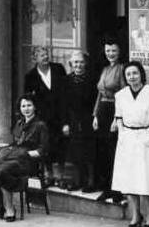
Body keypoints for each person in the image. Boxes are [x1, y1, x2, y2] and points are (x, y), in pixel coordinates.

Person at [111, 61, 149, 227]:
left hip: (145, 136)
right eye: (128, 74)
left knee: (144, 178)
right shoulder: (120, 95)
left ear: (141, 74)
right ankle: (135, 216)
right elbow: (118, 116)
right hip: (127, 137)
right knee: (128, 179)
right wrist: (121, 131)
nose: (132, 77)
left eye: (135, 73)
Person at [0, 94, 50, 222]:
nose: (26, 108)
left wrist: (27, 154)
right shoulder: (19, 123)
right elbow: (15, 142)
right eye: (23, 106)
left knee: (3, 171)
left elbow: (43, 150)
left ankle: (10, 208)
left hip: (28, 161)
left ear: (35, 107)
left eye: (29, 105)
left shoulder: (40, 125)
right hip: (13, 156)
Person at [22, 46, 68, 186]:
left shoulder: (58, 69)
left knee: (60, 146)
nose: (46, 57)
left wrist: (66, 121)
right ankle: (49, 175)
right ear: (35, 58)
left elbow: (66, 94)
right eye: (42, 55)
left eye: (46, 54)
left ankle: (60, 176)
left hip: (60, 116)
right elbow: (28, 99)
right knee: (45, 146)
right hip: (43, 119)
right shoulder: (30, 76)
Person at [92, 36, 126, 203]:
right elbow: (100, 92)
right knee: (103, 152)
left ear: (119, 52)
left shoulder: (121, 69)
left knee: (114, 152)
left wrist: (116, 118)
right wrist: (95, 116)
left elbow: (122, 95)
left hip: (114, 110)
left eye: (113, 50)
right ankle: (106, 188)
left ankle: (117, 191)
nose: (110, 54)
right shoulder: (105, 69)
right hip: (103, 112)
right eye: (108, 51)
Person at [61, 50, 98, 192]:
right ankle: (77, 181)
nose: (78, 65)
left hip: (89, 119)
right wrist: (65, 123)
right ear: (71, 64)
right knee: (76, 151)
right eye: (76, 62)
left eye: (81, 62)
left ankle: (91, 182)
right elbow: (63, 104)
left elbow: (96, 100)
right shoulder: (66, 80)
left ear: (85, 63)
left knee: (90, 151)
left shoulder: (93, 79)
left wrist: (95, 117)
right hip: (73, 120)